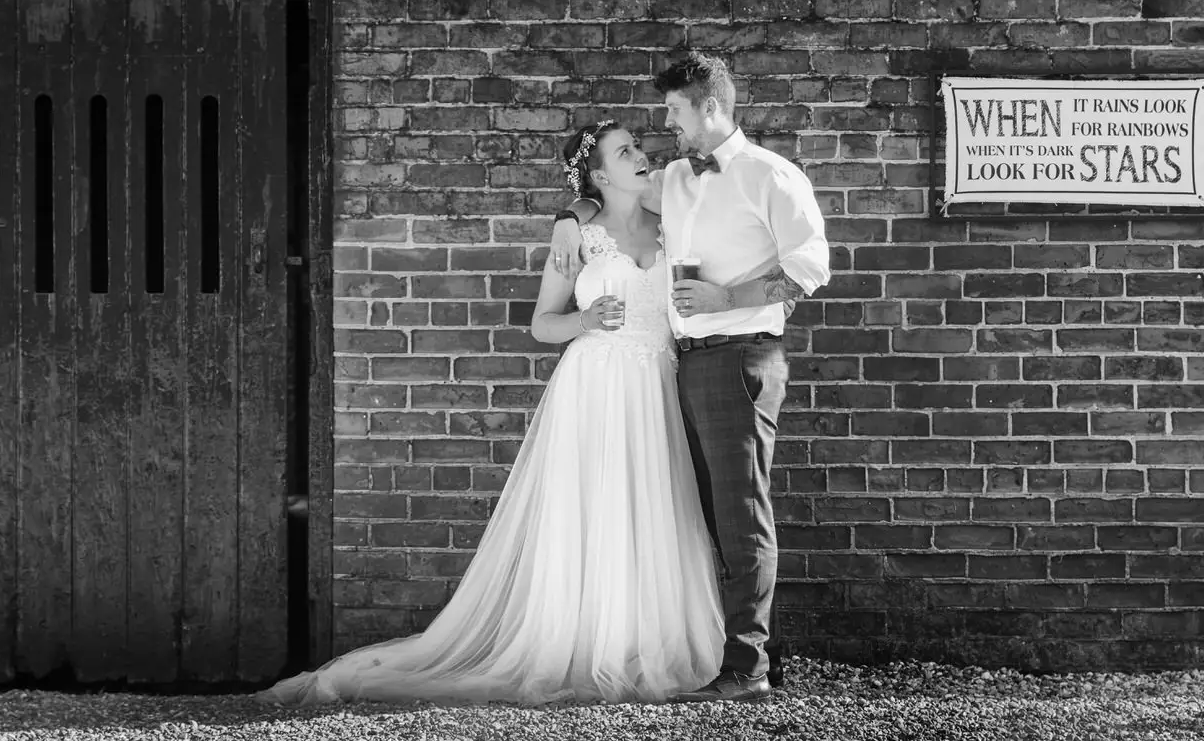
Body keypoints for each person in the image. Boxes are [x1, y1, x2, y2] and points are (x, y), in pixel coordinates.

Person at [257, 120, 723, 706]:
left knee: (652, 504)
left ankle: (642, 641)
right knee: (593, 511)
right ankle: (583, 642)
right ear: (600, 175)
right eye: (624, 151)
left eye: (637, 147)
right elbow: (541, 324)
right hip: (596, 385)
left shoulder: (670, 226)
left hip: (656, 383)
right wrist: (585, 319)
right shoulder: (578, 237)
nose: (640, 155)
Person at [549, 52, 830, 704]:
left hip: (742, 355)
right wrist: (568, 216)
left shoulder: (770, 175)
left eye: (675, 111)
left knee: (742, 515)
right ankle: (725, 651)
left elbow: (809, 267)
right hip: (686, 361)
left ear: (708, 106)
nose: (668, 124)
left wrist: (727, 297)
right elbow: (607, 195)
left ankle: (748, 668)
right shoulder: (675, 177)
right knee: (704, 517)